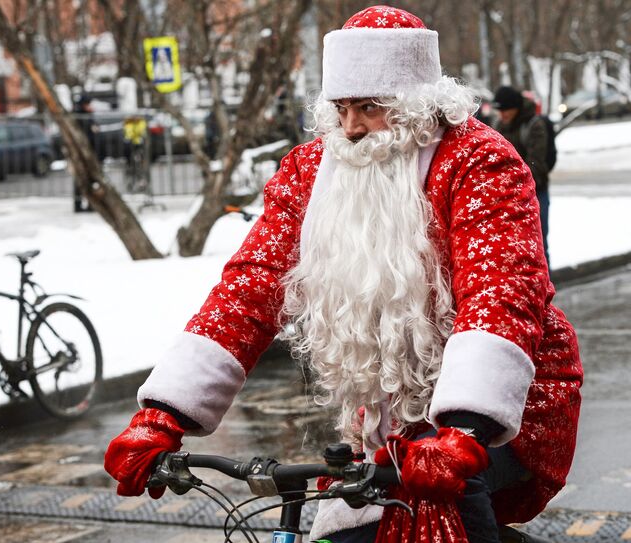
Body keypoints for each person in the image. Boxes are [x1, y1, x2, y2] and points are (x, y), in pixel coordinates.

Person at [104, 6, 582, 543]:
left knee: (448, 511)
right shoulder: (312, 169)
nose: (352, 128)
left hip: (502, 410)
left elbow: (501, 293)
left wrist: (467, 426)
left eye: (370, 107)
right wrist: (164, 413)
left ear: (416, 104)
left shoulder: (479, 161)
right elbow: (251, 286)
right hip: (384, 421)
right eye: (341, 108)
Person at [492, 86, 552, 268]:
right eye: (499, 110)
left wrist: (511, 183)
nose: (502, 114)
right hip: (506, 197)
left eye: (506, 110)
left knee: (538, 245)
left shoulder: (534, 125)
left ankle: (543, 287)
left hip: (535, 193)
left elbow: (537, 165)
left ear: (516, 107)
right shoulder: (499, 127)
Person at [72, 95, 98, 212]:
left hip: (88, 151)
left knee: (88, 179)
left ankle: (89, 204)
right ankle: (79, 203)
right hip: (82, 152)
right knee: (82, 179)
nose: (90, 107)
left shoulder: (86, 115)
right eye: (88, 104)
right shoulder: (80, 116)